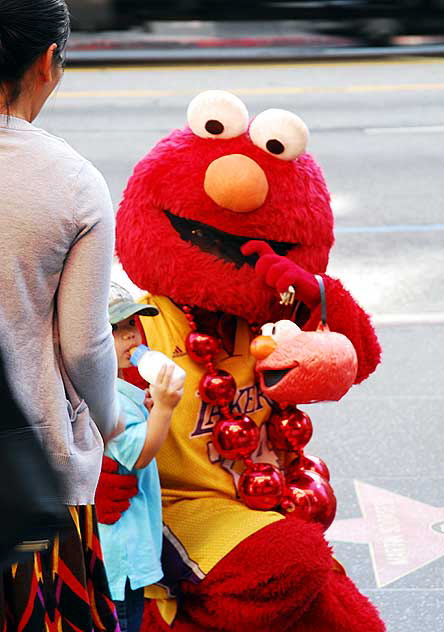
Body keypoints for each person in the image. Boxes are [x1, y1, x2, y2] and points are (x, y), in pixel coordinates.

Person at [0, 1, 121, 629]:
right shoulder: (71, 182)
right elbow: (84, 347)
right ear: (49, 61)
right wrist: (115, 418)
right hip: (29, 476)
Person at [98, 282, 184, 632]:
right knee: (123, 621)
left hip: (120, 550)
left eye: (132, 325)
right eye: (115, 330)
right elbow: (141, 455)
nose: (130, 337)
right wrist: (164, 409)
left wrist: (149, 408)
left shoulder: (120, 390)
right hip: (122, 551)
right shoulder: (107, 399)